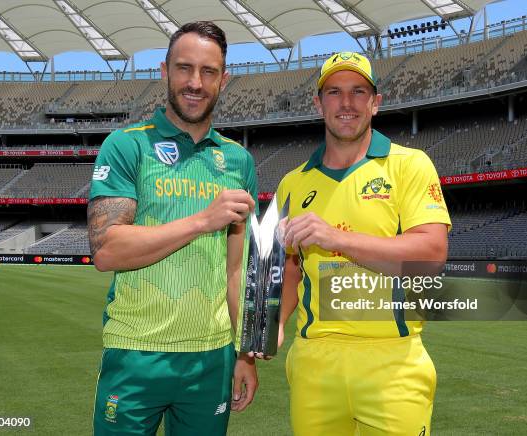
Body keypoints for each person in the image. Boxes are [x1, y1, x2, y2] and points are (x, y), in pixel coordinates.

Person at [87, 21, 258, 436]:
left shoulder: (239, 162)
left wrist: (245, 354)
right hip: (135, 353)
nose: (195, 82)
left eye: (208, 72)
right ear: (164, 72)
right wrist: (202, 221)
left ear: (224, 79)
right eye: (184, 68)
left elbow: (236, 270)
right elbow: (107, 249)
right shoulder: (127, 145)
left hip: (211, 359)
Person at [275, 52, 451, 435]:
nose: (347, 102)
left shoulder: (409, 165)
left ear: (376, 102)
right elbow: (290, 265)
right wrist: (277, 321)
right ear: (318, 104)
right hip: (314, 362)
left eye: (359, 91)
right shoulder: (292, 183)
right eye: (334, 92)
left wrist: (334, 237)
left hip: (392, 360)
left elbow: (432, 254)